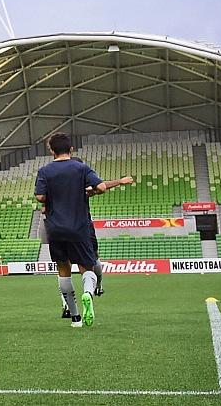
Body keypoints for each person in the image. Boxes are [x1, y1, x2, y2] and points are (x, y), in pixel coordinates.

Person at [35, 133, 133, 328]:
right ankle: (88, 292)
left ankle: (75, 318)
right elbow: (102, 187)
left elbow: (40, 197)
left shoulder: (45, 171)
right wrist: (94, 190)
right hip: (79, 228)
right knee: (87, 268)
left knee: (63, 270)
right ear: (71, 149)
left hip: (55, 229)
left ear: (52, 151)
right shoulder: (81, 169)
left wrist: (54, 197)